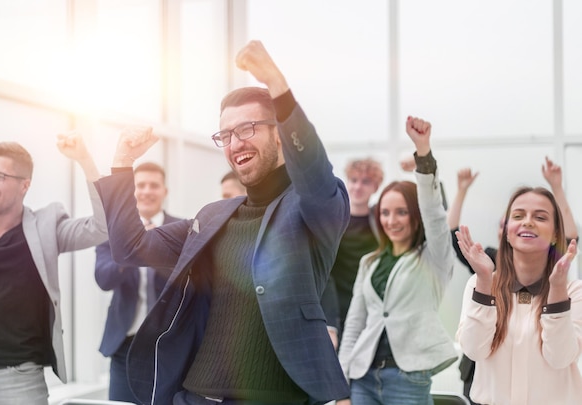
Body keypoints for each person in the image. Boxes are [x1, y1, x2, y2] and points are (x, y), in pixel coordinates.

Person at [93, 40, 351, 405]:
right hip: (196, 395)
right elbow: (129, 246)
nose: (234, 143)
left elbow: (312, 169)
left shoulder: (315, 207)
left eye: (247, 129)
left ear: (278, 132)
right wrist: (122, 162)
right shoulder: (212, 216)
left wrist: (277, 85)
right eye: (225, 135)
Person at [0, 134, 108, 405]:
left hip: (18, 383)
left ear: (24, 185)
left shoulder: (45, 229)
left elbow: (104, 227)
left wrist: (85, 161)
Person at [338, 117, 458, 405]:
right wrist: (341, 386)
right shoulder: (370, 262)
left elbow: (434, 212)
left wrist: (423, 152)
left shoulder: (433, 258)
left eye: (401, 212)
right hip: (362, 378)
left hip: (407, 379)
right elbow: (355, 324)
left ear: (415, 216)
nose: (391, 220)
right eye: (385, 212)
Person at [447, 157, 579, 404]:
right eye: (518, 215)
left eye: (540, 217)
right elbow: (474, 350)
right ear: (506, 231)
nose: (528, 221)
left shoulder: (574, 291)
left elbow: (561, 357)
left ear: (556, 234)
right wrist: (485, 283)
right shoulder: (479, 283)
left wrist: (558, 291)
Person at [95, 162, 183, 403]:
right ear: (131, 191)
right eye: (140, 185)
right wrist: (133, 249)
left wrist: (156, 249)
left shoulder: (181, 228)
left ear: (165, 191)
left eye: (154, 185)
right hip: (126, 346)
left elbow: (189, 282)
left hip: (169, 345)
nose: (146, 191)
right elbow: (103, 279)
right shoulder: (113, 232)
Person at [321, 158, 384, 349]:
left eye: (365, 182)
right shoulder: (333, 221)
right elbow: (323, 271)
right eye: (354, 180)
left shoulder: (383, 224)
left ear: (375, 187)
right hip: (337, 309)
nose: (358, 186)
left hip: (369, 309)